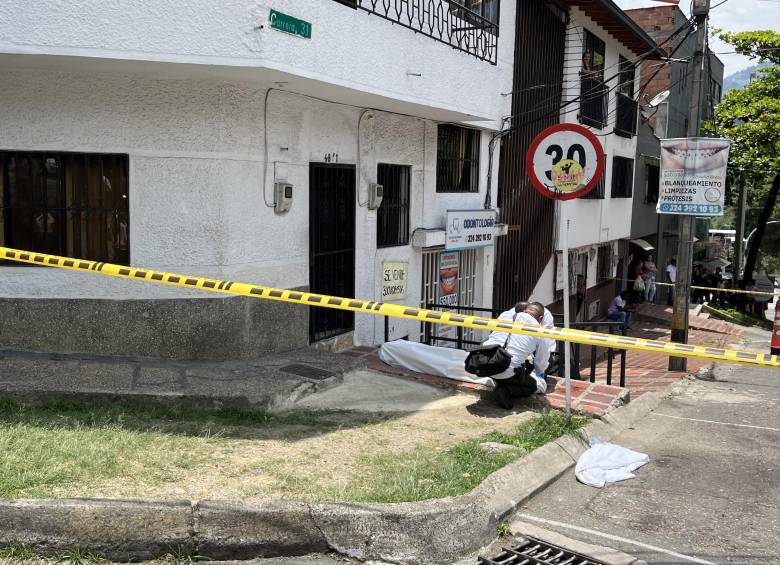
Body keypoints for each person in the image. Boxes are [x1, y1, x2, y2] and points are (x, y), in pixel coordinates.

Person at [482, 302, 550, 410]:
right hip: (507, 370)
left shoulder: (505, 315)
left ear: (524, 310)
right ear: (541, 318)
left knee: (510, 368)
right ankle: (507, 390)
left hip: (484, 364)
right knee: (532, 385)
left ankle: (502, 384)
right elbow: (540, 366)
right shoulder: (539, 330)